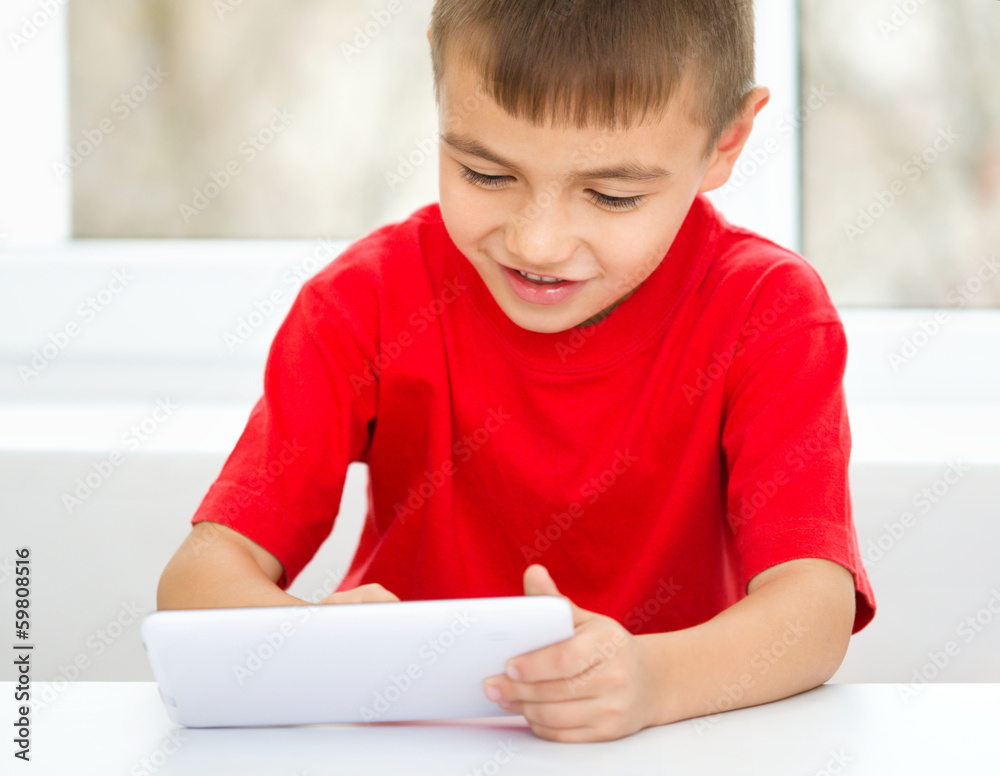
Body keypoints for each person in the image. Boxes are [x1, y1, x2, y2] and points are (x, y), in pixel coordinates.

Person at [157, 0, 876, 743]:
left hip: (668, 749)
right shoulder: (363, 303)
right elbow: (199, 579)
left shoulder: (769, 313)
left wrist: (654, 681)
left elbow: (813, 612)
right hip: (409, 751)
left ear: (727, 142)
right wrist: (314, 646)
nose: (537, 243)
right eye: (485, 173)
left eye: (612, 195)